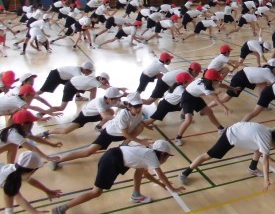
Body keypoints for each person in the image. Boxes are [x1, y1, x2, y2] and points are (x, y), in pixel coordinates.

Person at [51, 140, 183, 214]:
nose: (166, 159)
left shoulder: (147, 154)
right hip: (112, 160)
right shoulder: (152, 157)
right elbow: (160, 174)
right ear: (163, 154)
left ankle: (136, 195)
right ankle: (62, 208)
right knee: (96, 192)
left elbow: (146, 174)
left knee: (139, 171)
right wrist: (172, 188)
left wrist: (162, 185)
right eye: (167, 156)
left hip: (115, 155)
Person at [50, 93, 153, 171]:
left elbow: (139, 120)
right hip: (109, 134)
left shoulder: (138, 112)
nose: (138, 109)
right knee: (87, 152)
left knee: (140, 127)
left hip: (123, 134)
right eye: (136, 107)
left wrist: (146, 125)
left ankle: (123, 145)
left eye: (140, 106)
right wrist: (141, 141)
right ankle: (58, 160)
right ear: (129, 106)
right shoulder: (123, 115)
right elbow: (125, 133)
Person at [179, 122, 275, 190]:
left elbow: (264, 151)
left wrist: (268, 156)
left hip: (236, 130)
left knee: (258, 149)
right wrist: (266, 180)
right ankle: (185, 173)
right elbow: (265, 161)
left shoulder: (269, 131)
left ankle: (252, 168)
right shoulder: (266, 138)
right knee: (208, 156)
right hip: (229, 137)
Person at [174, 68, 231, 146]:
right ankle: (178, 138)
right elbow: (215, 98)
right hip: (187, 99)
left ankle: (220, 129)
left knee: (209, 112)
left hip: (195, 97)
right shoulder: (203, 86)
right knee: (188, 120)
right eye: (217, 79)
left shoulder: (206, 81)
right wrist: (224, 107)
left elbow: (220, 85)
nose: (219, 81)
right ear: (212, 80)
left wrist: (232, 88)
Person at [43, 87, 124, 136]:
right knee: (65, 131)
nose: (119, 100)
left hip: (96, 114)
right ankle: (48, 132)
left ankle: (98, 127)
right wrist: (118, 118)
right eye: (117, 98)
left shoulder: (112, 101)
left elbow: (121, 105)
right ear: (109, 99)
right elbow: (105, 116)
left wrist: (128, 106)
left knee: (111, 111)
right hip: (85, 116)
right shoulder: (99, 101)